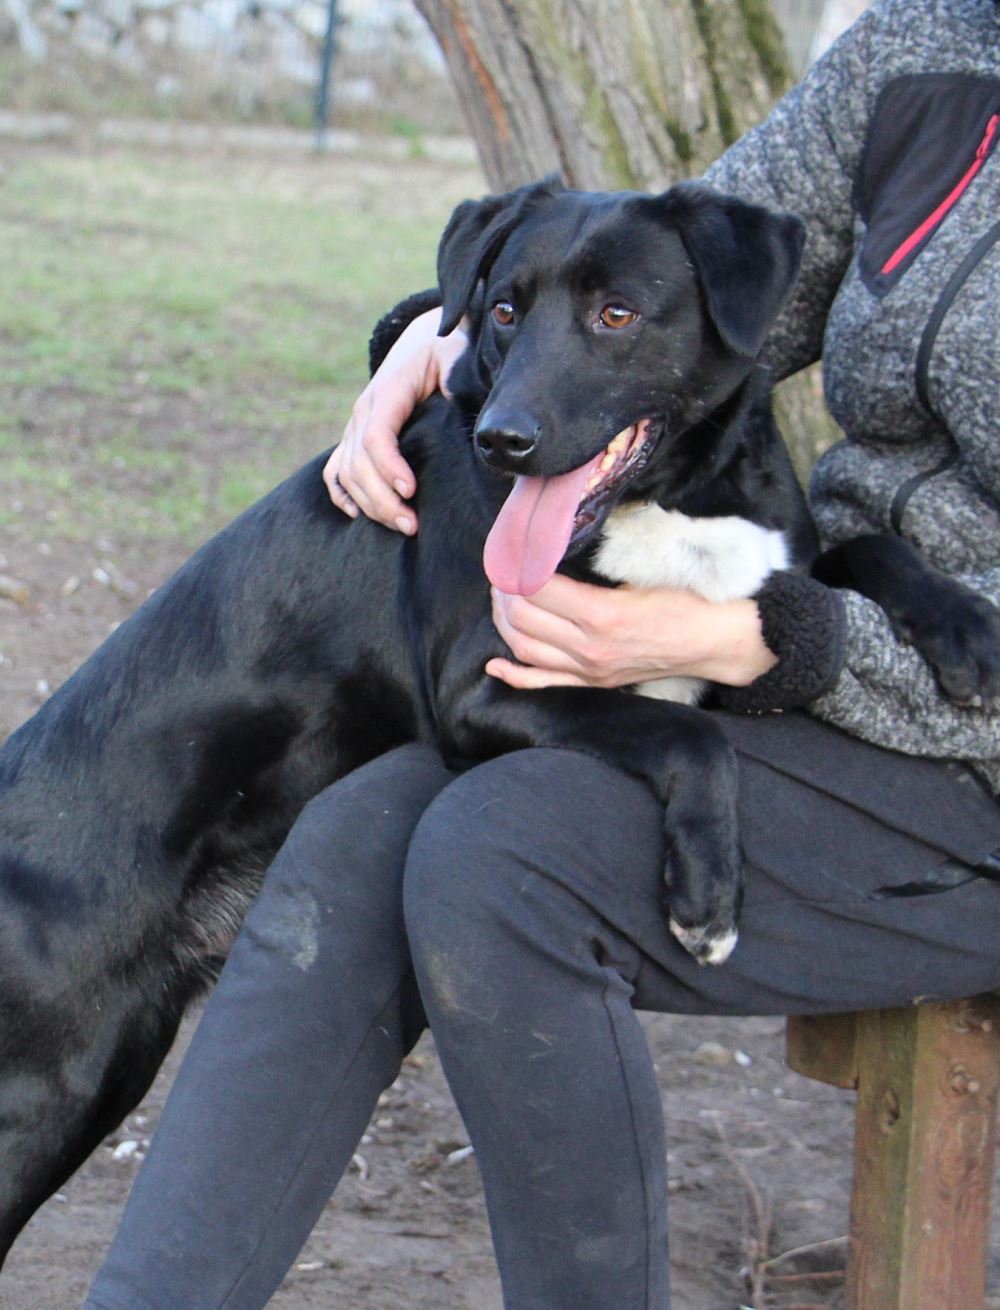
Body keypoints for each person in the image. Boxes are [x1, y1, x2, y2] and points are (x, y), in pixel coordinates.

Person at [84, 0, 1000, 1305]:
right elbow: (672, 268)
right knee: (360, 835)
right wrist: (450, 342)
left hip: (960, 752)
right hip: (838, 639)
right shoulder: (936, 45)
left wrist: (774, 639)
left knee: (501, 857)